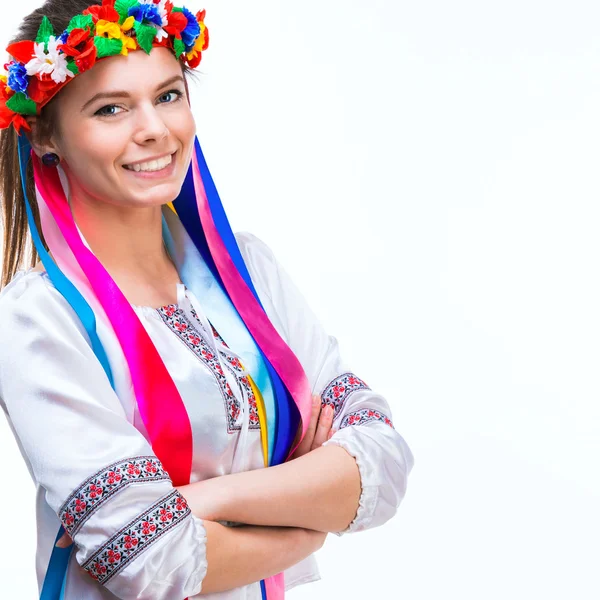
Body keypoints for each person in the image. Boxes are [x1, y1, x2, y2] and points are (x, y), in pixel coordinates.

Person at [0, 1, 415, 599]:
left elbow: (382, 461)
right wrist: (310, 519)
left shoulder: (248, 271)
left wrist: (199, 502)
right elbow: (147, 559)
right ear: (44, 134)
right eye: (111, 108)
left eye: (168, 95)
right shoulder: (40, 320)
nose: (154, 129)